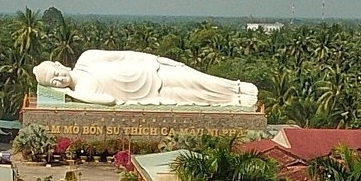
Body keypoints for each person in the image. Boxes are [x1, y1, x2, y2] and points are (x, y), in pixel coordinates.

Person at [33, 49, 258, 107]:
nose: (59, 79)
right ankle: (233, 101)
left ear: (59, 64)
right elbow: (109, 101)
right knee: (196, 97)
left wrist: (155, 59)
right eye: (54, 82)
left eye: (56, 73)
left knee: (196, 79)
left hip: (151, 71)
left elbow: (124, 55)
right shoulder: (81, 92)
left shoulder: (87, 58)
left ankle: (236, 88)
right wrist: (71, 93)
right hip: (149, 93)